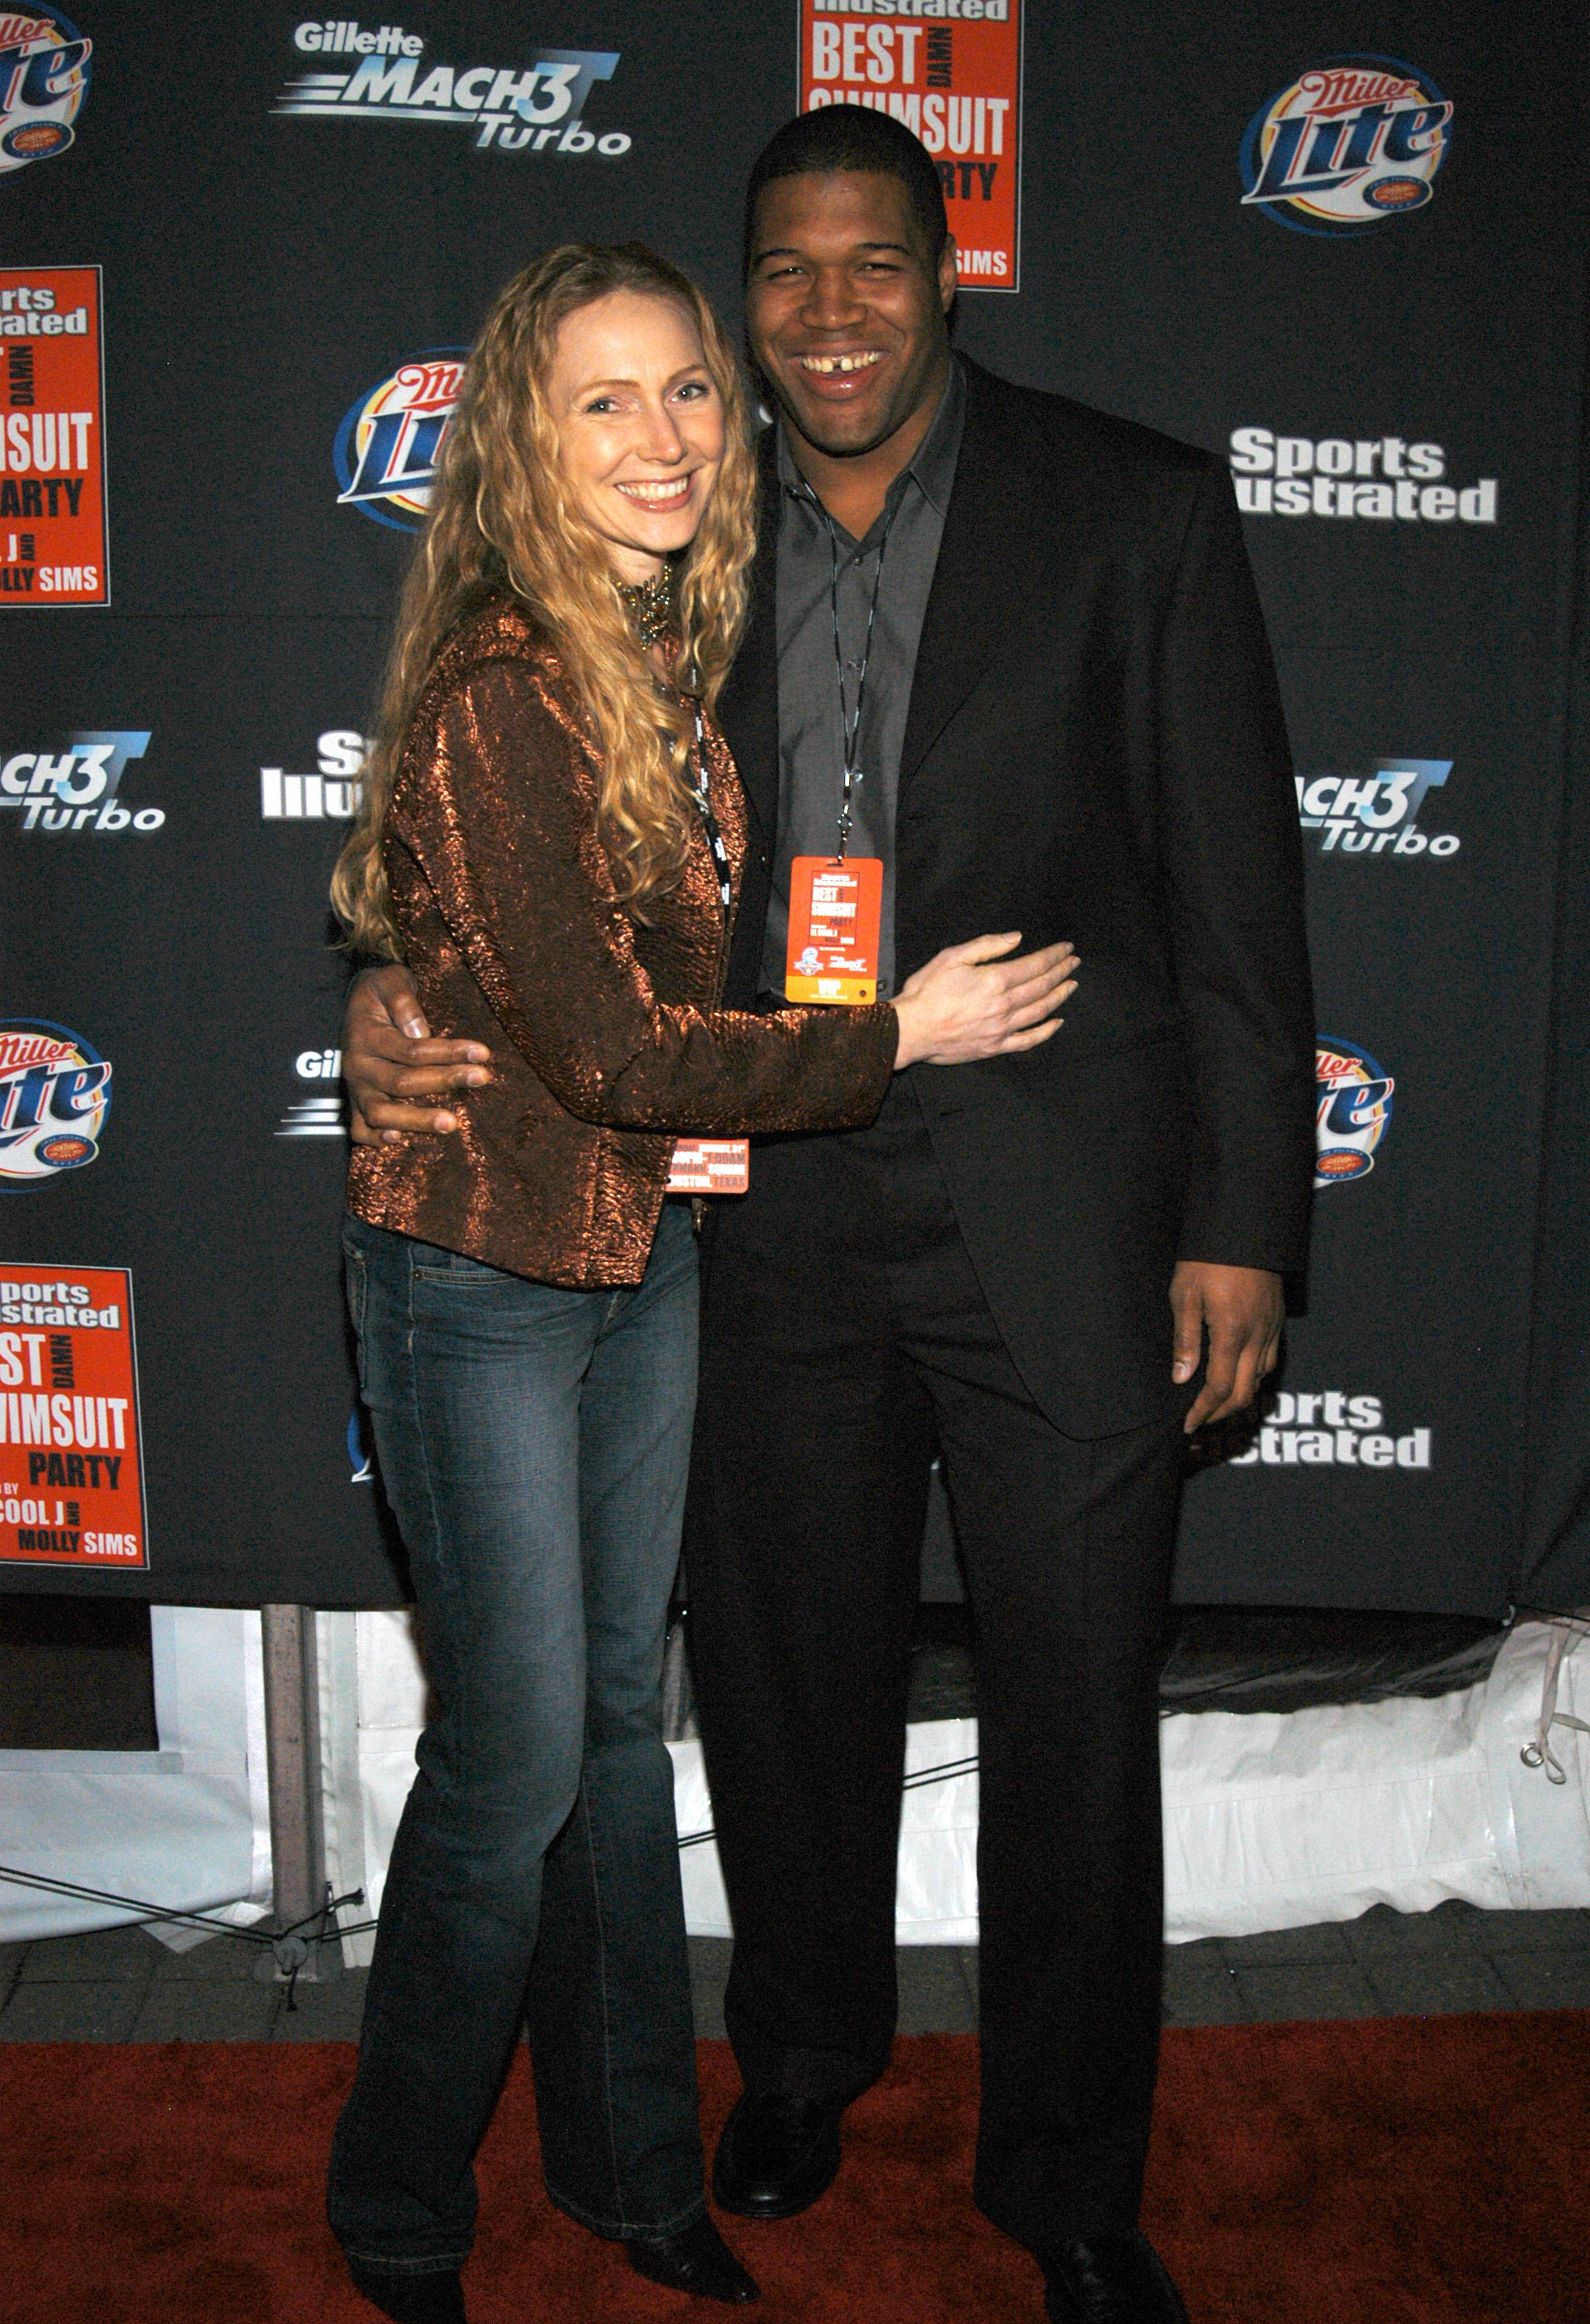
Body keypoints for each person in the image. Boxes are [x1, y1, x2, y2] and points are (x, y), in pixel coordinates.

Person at [346, 108, 1315, 2324]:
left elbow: (1240, 899)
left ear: (945, 270)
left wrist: (1241, 1222)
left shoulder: (1133, 505)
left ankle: (1068, 2170)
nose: (828, 310)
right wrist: (406, 980)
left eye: (874, 260)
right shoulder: (666, 542)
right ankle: (798, 2065)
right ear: (744, 297)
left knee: (1078, 1710)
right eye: (782, 271)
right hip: (756, 1215)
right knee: (782, 1698)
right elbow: (521, 834)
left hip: (1066, 1219)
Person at [324, 235, 1077, 2324]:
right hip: (477, 1268)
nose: (661, 437)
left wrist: (411, 972)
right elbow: (627, 1049)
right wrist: (900, 1034)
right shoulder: (499, 682)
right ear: (522, 443)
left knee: (614, 1749)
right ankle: (395, 2205)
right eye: (603, 401)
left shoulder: (660, 658)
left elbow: (630, 1024)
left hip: (639, 1254)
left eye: (680, 393)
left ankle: (630, 2164)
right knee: (510, 1768)